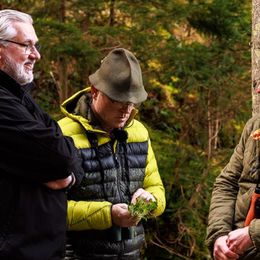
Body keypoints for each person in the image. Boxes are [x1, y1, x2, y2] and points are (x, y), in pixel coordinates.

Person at [58, 48, 166, 259]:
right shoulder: (62, 135)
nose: (126, 109)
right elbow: (49, 210)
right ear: (95, 91)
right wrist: (108, 215)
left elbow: (158, 190)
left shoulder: (139, 133)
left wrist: (149, 201)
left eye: (132, 101)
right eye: (118, 100)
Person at [0, 9, 84, 259]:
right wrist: (66, 166)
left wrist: (67, 178)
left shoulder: (20, 96)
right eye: (26, 46)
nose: (36, 55)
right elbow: (62, 157)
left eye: (35, 46)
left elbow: (67, 153)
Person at [206, 116, 260, 259]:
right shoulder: (254, 125)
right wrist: (219, 234)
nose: (259, 91)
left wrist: (254, 233)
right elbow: (227, 183)